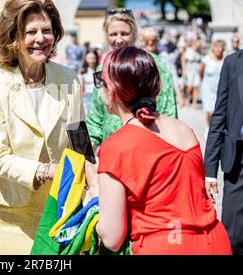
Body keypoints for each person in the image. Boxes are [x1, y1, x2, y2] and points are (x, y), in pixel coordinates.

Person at [85, 46, 232, 255]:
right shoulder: (185, 130)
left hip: (166, 245)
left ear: (111, 91)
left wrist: (93, 191)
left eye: (100, 80)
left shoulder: (116, 145)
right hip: (213, 242)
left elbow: (112, 237)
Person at [0, 0, 84, 255]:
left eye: (46, 30)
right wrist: (48, 171)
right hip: (1, 211)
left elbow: (80, 143)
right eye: (30, 31)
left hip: (54, 208)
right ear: (13, 37)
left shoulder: (68, 79)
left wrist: (89, 186)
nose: (40, 39)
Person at [86, 8, 178, 150]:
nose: (118, 39)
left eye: (124, 33)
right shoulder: (102, 68)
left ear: (134, 34)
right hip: (111, 150)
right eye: (113, 34)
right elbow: (95, 119)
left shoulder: (152, 63)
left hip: (146, 147)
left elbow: (168, 111)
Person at [204, 47, 243, 255]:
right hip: (238, 160)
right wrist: (210, 171)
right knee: (233, 235)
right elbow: (219, 115)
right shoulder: (233, 62)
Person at [199, 40, 226, 134]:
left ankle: (217, 128)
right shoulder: (206, 59)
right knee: (210, 111)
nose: (218, 49)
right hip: (208, 89)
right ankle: (209, 127)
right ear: (213, 48)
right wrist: (203, 82)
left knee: (218, 110)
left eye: (220, 47)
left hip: (220, 89)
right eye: (216, 46)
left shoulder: (225, 60)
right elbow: (200, 71)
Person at [181, 38, 203, 108]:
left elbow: (201, 62)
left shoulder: (199, 53)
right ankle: (186, 100)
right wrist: (184, 70)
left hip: (196, 72)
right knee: (189, 87)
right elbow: (183, 59)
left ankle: (194, 102)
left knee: (196, 87)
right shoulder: (189, 51)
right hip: (189, 71)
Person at [79, 49, 99, 115]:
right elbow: (81, 86)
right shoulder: (83, 71)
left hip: (99, 95)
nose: (91, 61)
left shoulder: (99, 70)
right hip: (88, 95)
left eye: (93, 58)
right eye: (89, 58)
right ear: (85, 59)